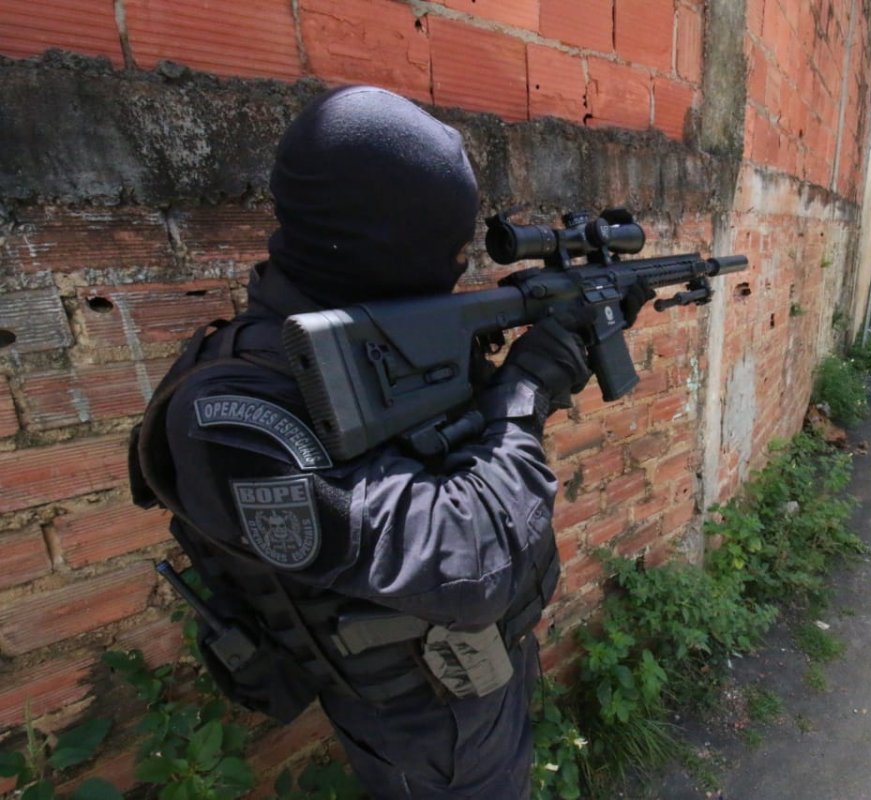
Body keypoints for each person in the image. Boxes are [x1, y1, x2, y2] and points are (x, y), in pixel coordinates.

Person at [130, 86, 653, 799]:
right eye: (443, 246)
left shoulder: (372, 346)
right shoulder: (234, 419)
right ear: (383, 239)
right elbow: (468, 562)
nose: (454, 271)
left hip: (478, 674)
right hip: (426, 723)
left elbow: (445, 458)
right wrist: (531, 385)